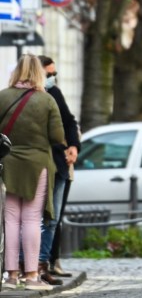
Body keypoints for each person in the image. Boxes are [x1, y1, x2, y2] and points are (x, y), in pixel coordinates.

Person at [0, 54, 65, 291]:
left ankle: (10, 275)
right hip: (38, 165)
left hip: (7, 165)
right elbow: (58, 137)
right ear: (39, 72)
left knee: (10, 219)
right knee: (31, 219)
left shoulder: (2, 96)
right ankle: (31, 276)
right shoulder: (46, 100)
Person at [37, 55, 80, 285]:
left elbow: (70, 121)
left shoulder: (54, 93)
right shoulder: (26, 96)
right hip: (39, 162)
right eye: (49, 74)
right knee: (33, 217)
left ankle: (48, 261)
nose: (53, 78)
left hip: (60, 163)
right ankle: (29, 266)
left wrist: (73, 146)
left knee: (54, 218)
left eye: (55, 74)